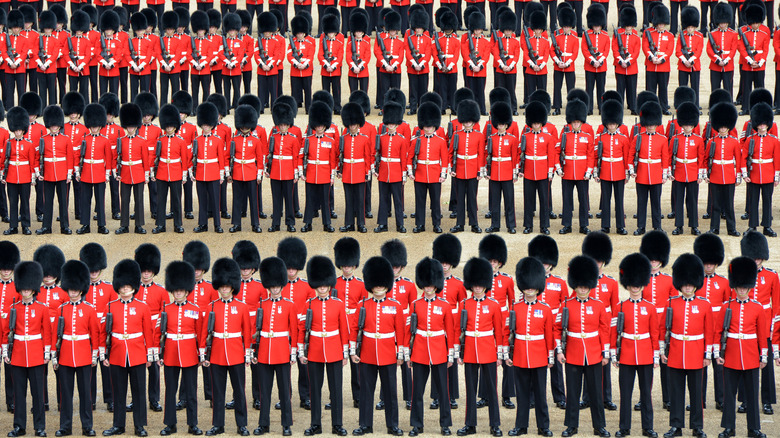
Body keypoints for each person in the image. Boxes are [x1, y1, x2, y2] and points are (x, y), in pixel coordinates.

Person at [350, 256, 406, 436]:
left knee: (390, 391)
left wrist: (400, 353)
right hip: (367, 354)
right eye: (376, 284)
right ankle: (365, 425)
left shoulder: (395, 305)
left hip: (388, 353)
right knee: (366, 391)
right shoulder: (362, 305)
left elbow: (401, 332)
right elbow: (354, 329)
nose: (379, 287)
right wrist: (352, 351)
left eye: (382, 284)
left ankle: (393, 425)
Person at [556, 255, 611, 438]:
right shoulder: (566, 305)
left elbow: (604, 330)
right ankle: (571, 426)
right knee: (572, 393)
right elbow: (558, 329)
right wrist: (559, 350)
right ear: (575, 285)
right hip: (572, 353)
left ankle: (600, 426)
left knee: (596, 393)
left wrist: (605, 353)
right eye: (579, 286)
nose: (582, 290)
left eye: (585, 286)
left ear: (590, 286)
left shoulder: (598, 305)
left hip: (594, 354)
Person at [715, 257, 768, 438]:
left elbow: (762, 335)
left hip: (751, 355)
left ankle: (754, 429)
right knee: (729, 395)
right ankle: (729, 428)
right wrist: (717, 353)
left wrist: (764, 356)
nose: (742, 289)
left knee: (752, 395)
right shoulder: (726, 307)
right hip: (731, 355)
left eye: (745, 287)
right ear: (735, 286)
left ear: (749, 286)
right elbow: (718, 332)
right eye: (739, 287)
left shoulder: (758, 308)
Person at [101, 259, 153, 437]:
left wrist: (149, 356)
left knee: (139, 391)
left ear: (133, 286)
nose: (124, 289)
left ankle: (139, 425)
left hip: (137, 354)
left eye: (128, 285)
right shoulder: (110, 306)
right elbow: (105, 333)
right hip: (116, 354)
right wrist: (105, 353)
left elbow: (149, 333)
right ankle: (118, 425)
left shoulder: (142, 307)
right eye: (122, 286)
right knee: (119, 392)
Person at [299, 256, 350, 437]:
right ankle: (315, 424)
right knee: (315, 390)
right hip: (314, 351)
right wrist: (301, 351)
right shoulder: (308, 305)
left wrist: (345, 352)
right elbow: (301, 329)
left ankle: (337, 424)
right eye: (319, 285)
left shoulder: (338, 304)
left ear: (329, 285)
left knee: (336, 390)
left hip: (334, 350)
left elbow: (344, 329)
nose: (322, 288)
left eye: (324, 285)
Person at [505, 257, 554, 437]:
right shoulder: (515, 307)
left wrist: (550, 356)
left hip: (540, 355)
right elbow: (508, 332)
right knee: (522, 393)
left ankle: (543, 426)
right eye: (527, 285)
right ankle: (521, 426)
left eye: (532, 285)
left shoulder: (546, 308)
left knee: (540, 394)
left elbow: (549, 334)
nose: (530, 289)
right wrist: (507, 353)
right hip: (519, 355)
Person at [202, 258, 252, 437]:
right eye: (221, 286)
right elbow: (204, 333)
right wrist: (203, 353)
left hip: (237, 353)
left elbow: (247, 332)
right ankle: (218, 424)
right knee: (218, 392)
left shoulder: (242, 307)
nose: (224, 289)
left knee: (239, 391)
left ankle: (242, 424)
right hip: (216, 354)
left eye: (227, 286)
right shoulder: (211, 307)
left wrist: (247, 353)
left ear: (232, 287)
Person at [455, 257, 504, 437]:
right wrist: (458, 353)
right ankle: (470, 424)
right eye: (474, 284)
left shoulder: (493, 305)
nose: (477, 288)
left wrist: (500, 354)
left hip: (488, 350)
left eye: (480, 284)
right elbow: (457, 330)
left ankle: (495, 424)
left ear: (485, 284)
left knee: (492, 389)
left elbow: (498, 332)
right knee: (470, 389)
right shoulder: (464, 305)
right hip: (469, 351)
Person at [612, 253, 658, 438]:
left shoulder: (650, 307)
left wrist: (655, 354)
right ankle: (625, 427)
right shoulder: (620, 307)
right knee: (626, 394)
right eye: (632, 284)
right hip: (627, 355)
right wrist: (614, 353)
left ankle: (648, 427)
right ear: (628, 285)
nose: (635, 287)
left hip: (646, 354)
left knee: (646, 394)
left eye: (638, 284)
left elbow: (654, 333)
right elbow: (614, 333)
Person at [156, 261, 204, 436]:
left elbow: (200, 334)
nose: (178, 293)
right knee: (170, 391)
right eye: (175, 290)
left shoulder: (195, 309)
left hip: (190, 353)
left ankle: (193, 424)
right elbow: (160, 334)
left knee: (191, 392)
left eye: (181, 290)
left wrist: (201, 354)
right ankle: (170, 424)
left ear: (186, 291)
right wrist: (160, 353)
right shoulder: (166, 309)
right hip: (170, 354)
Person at [1, 261, 49, 437]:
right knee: (18, 394)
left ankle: (40, 427)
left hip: (36, 355)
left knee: (38, 395)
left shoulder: (42, 308)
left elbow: (46, 332)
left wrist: (47, 352)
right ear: (20, 289)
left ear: (33, 289)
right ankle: (19, 426)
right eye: (23, 289)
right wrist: (6, 351)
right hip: (18, 355)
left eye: (28, 289)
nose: (26, 291)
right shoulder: (13, 308)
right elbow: (6, 332)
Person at [54, 260, 100, 438]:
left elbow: (94, 333)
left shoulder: (89, 309)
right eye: (70, 289)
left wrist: (95, 354)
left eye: (75, 289)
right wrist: (54, 355)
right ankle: (65, 426)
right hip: (65, 355)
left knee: (85, 395)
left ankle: (87, 426)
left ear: (81, 289)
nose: (72, 292)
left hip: (84, 356)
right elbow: (55, 335)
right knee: (65, 394)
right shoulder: (61, 309)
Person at [738, 230, 779, 414]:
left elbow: (777, 306)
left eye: (758, 256)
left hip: (765, 327)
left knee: (767, 366)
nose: (755, 260)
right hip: (746, 326)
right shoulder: (739, 273)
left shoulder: (771, 276)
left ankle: (767, 401)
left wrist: (774, 330)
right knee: (744, 365)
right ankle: (745, 400)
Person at [277, 237, 316, 410]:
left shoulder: (307, 287)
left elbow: (309, 310)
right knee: (283, 368)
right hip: (283, 332)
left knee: (304, 367)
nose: (291, 271)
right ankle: (284, 397)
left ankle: (305, 396)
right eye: (288, 267)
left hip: (301, 332)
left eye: (294, 267)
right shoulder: (278, 285)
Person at [79, 243, 118, 413]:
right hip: (87, 335)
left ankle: (110, 399)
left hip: (104, 333)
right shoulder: (81, 288)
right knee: (89, 369)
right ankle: (90, 400)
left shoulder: (109, 288)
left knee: (107, 367)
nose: (93, 273)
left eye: (96, 270)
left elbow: (113, 310)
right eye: (91, 270)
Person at [629, 101, 670, 235]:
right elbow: (631, 155)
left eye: (653, 124)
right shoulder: (638, 138)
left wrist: (664, 174)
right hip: (641, 174)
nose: (651, 127)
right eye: (649, 124)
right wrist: (631, 170)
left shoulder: (662, 139)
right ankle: (641, 227)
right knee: (641, 203)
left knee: (656, 203)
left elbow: (665, 158)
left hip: (656, 174)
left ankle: (657, 226)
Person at [410, 102, 448, 233]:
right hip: (419, 174)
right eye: (426, 126)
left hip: (434, 175)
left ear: (435, 126)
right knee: (420, 202)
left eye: (430, 126)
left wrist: (443, 174)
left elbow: (445, 159)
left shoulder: (441, 141)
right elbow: (409, 157)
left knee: (435, 202)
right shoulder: (416, 140)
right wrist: (410, 172)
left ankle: (436, 224)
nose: (428, 129)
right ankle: (420, 224)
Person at [742, 102, 780, 236]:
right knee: (753, 201)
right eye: (760, 123)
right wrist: (745, 173)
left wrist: (776, 177)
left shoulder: (774, 140)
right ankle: (752, 226)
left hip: (768, 174)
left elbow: (777, 159)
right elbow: (743, 157)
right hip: (754, 174)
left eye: (764, 123)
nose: (762, 126)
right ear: (756, 124)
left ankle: (767, 226)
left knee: (767, 201)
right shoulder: (750, 139)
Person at [669, 101, 706, 235]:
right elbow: (670, 156)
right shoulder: (675, 138)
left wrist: (700, 174)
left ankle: (694, 225)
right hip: (678, 172)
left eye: (690, 125)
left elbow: (701, 157)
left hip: (692, 173)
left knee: (692, 200)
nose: (687, 127)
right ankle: (679, 225)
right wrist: (669, 172)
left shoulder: (698, 139)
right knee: (678, 201)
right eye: (685, 125)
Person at [519, 101, 556, 235]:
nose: (535, 125)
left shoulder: (548, 137)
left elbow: (551, 155)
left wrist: (550, 171)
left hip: (543, 172)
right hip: (528, 171)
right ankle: (528, 225)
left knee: (544, 201)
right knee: (528, 200)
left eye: (538, 123)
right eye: (534, 123)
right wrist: (520, 169)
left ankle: (544, 226)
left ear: (542, 123)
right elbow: (521, 154)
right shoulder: (525, 136)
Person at [449, 99, 484, 233]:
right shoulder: (457, 135)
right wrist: (451, 168)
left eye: (470, 121)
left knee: (472, 198)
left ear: (473, 121)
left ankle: (474, 224)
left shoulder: (479, 136)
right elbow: (450, 153)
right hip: (459, 170)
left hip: (473, 170)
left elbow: (480, 154)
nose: (468, 123)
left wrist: (480, 171)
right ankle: (460, 224)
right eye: (466, 121)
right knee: (459, 198)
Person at [37, 105, 74, 236]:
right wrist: (39, 173)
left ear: (59, 125)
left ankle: (65, 226)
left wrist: (69, 173)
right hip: (48, 174)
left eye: (55, 125)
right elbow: (40, 157)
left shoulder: (66, 139)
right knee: (48, 202)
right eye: (51, 125)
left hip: (62, 174)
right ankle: (46, 226)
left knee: (63, 202)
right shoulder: (44, 139)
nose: (54, 127)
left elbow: (70, 157)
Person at [374, 102, 410, 233]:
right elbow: (378, 154)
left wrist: (403, 174)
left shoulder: (401, 139)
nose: (390, 126)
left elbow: (403, 159)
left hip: (396, 173)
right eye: (389, 124)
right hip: (383, 172)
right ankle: (382, 224)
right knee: (383, 199)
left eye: (393, 124)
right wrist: (376, 170)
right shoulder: (381, 138)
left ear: (396, 124)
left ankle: (400, 224)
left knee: (398, 201)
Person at [76, 103, 112, 235]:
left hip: (99, 173)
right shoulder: (84, 139)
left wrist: (107, 174)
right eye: (92, 126)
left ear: (100, 126)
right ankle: (85, 225)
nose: (94, 128)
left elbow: (108, 158)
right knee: (85, 201)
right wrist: (77, 171)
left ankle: (101, 225)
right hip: (86, 172)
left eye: (96, 126)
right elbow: (78, 156)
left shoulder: (105, 140)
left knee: (100, 201)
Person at [337, 102, 372, 232]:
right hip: (347, 172)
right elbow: (339, 156)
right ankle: (349, 223)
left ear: (358, 125)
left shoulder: (364, 139)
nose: (352, 127)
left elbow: (367, 157)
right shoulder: (343, 138)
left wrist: (367, 172)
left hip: (359, 172)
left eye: (354, 125)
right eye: (351, 125)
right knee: (349, 200)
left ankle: (361, 224)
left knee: (360, 200)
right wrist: (339, 170)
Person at [192, 102, 226, 233]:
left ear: (212, 125)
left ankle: (217, 224)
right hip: (201, 172)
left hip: (213, 173)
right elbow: (194, 157)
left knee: (215, 201)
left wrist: (222, 173)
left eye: (208, 125)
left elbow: (221, 158)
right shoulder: (197, 139)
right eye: (204, 125)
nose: (206, 127)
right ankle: (203, 224)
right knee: (202, 200)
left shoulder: (217, 140)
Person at [228, 105, 262, 233]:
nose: (244, 128)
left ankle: (255, 224)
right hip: (237, 172)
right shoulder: (234, 140)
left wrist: (259, 174)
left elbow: (260, 159)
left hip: (251, 173)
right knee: (237, 199)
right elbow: (229, 157)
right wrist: (228, 173)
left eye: (247, 125)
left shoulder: (256, 141)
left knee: (253, 200)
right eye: (242, 126)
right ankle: (236, 224)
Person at [1, 106, 34, 235]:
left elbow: (32, 162)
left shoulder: (29, 144)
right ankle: (13, 226)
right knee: (13, 203)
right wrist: (3, 175)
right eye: (16, 130)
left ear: (23, 129)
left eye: (20, 130)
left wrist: (32, 176)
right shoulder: (8, 143)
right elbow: (4, 160)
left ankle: (25, 226)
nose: (18, 132)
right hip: (11, 177)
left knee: (25, 203)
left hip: (25, 176)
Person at [738, 5, 769, 115]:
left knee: (759, 87)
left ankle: (760, 108)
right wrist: (750, 61)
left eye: (757, 23)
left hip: (760, 64)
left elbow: (765, 50)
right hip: (748, 64)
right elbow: (741, 48)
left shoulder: (765, 33)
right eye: (753, 23)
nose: (755, 25)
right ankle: (745, 108)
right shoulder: (744, 33)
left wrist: (760, 62)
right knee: (746, 87)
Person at [552, 7, 579, 116]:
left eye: (568, 27)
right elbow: (552, 50)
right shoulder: (557, 36)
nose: (566, 29)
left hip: (569, 66)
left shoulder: (574, 37)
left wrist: (567, 63)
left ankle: (571, 108)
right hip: (558, 65)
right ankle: (557, 107)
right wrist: (558, 61)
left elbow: (575, 53)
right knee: (557, 87)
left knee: (570, 88)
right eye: (564, 27)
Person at [462, 12, 491, 115]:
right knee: (471, 91)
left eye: (479, 29)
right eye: (476, 29)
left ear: (482, 29)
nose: (477, 31)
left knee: (480, 91)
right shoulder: (467, 41)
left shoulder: (486, 43)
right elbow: (465, 54)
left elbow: (486, 56)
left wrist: (479, 66)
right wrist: (471, 65)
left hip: (481, 71)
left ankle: (482, 109)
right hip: (471, 70)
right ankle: (471, 111)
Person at [374, 12, 404, 109]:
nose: (392, 32)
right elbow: (378, 53)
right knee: (384, 91)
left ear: (397, 30)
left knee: (396, 91)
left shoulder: (400, 42)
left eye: (394, 30)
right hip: (384, 69)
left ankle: (396, 108)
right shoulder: (384, 40)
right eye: (391, 30)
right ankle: (384, 108)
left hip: (396, 69)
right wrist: (385, 65)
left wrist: (394, 66)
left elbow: (400, 57)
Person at [613, 7, 640, 114]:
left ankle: (633, 107)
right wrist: (620, 61)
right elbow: (615, 49)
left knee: (632, 88)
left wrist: (628, 61)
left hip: (632, 66)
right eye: (627, 26)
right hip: (620, 66)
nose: (628, 28)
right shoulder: (619, 35)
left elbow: (636, 52)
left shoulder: (636, 37)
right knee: (620, 89)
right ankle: (619, 107)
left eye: (630, 26)